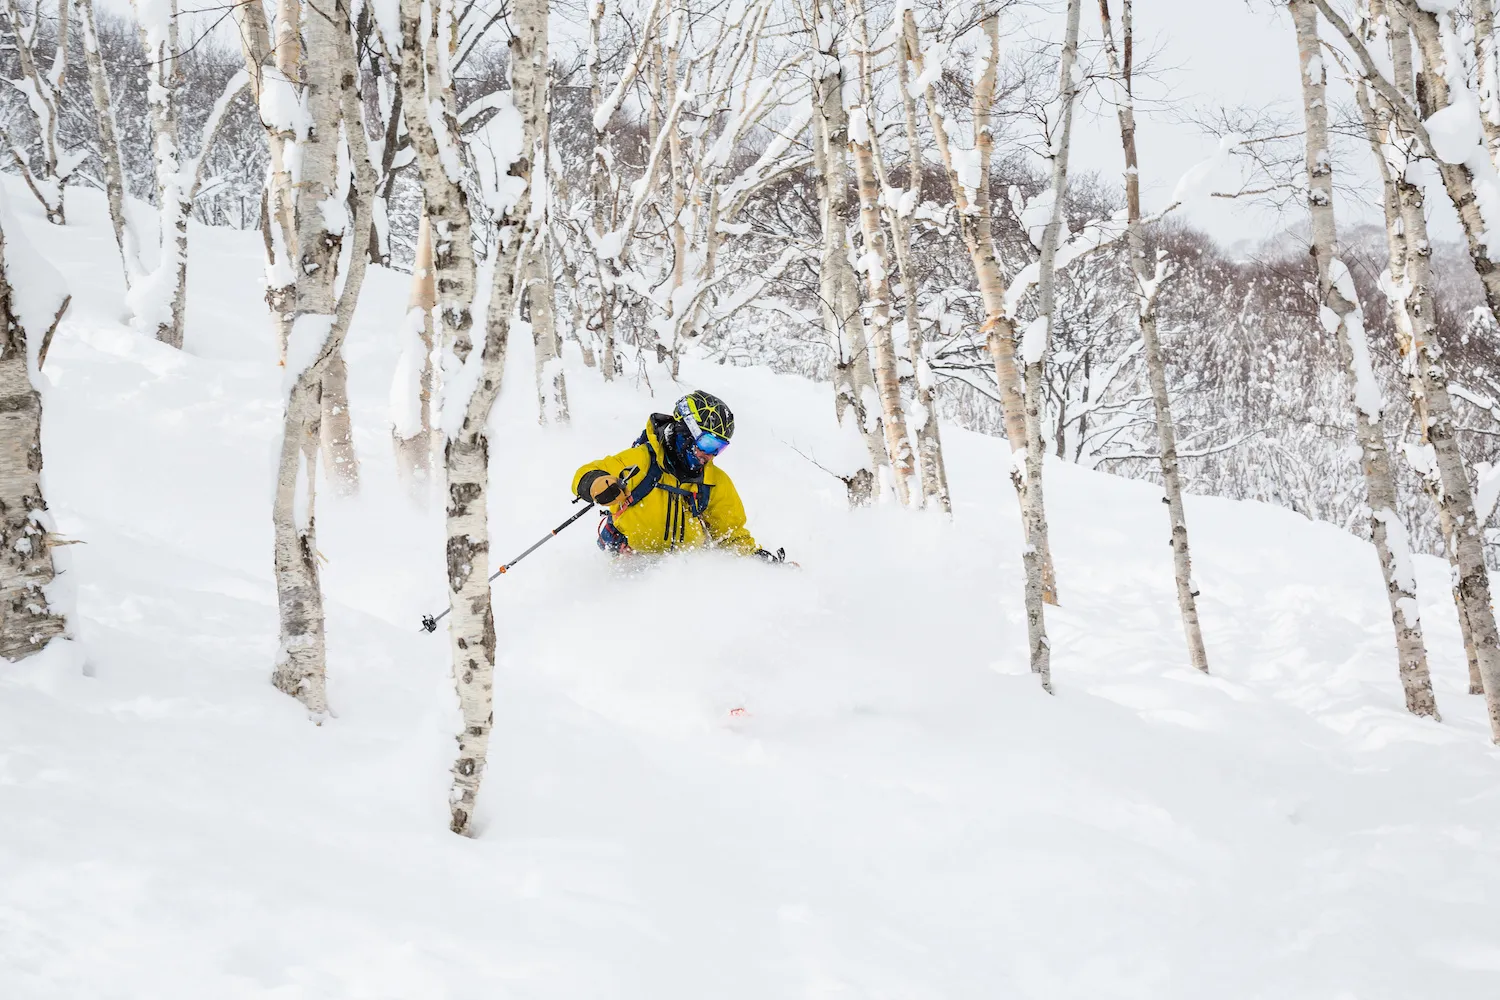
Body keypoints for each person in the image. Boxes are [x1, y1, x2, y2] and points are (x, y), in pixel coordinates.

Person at [572, 390, 787, 562]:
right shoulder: (642, 462)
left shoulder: (714, 482)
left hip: (683, 578)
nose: (710, 455)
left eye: (719, 448)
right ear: (686, 432)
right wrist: (597, 483)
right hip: (630, 567)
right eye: (708, 444)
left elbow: (731, 537)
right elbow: (586, 474)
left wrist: (762, 564)